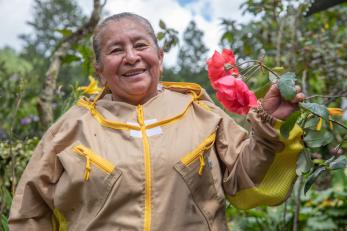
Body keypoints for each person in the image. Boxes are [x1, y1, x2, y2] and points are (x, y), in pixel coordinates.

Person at [9, 12, 305, 231]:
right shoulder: (72, 128)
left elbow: (243, 179)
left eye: (140, 45)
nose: (130, 57)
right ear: (100, 70)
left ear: (160, 58)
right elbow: (30, 212)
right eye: (115, 50)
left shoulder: (199, 112)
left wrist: (268, 123)